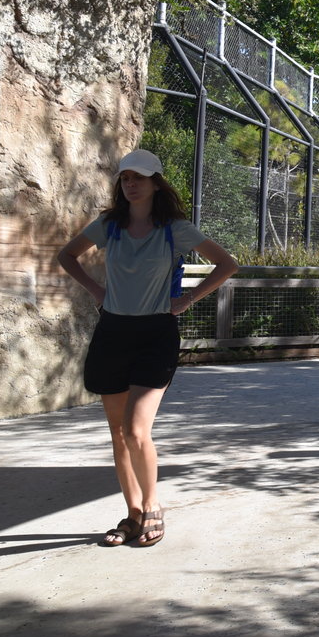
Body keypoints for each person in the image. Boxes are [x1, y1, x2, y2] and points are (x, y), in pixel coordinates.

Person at [57, 148, 238, 548]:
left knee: (137, 430)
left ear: (156, 182)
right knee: (118, 434)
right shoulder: (110, 225)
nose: (131, 184)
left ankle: (153, 505)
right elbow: (66, 256)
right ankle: (133, 514)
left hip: (156, 334)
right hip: (113, 333)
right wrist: (96, 291)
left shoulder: (176, 228)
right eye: (125, 178)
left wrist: (187, 300)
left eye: (139, 177)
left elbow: (227, 264)